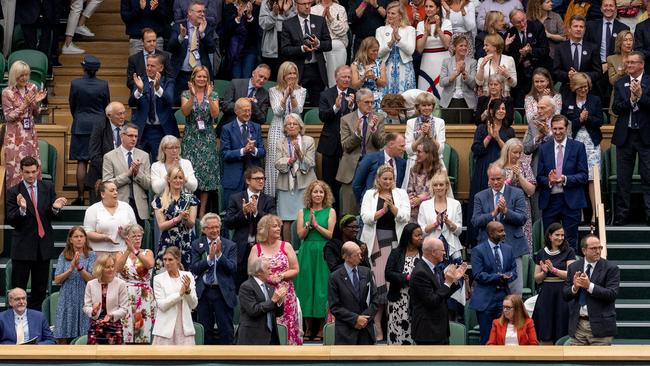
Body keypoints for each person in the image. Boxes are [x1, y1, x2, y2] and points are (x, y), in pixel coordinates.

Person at [6, 156, 66, 309]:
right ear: (21, 172)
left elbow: (52, 216)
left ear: (38, 170)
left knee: (40, 290)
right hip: (22, 248)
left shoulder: (47, 187)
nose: (30, 176)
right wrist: (23, 209)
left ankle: (35, 323)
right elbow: (12, 220)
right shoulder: (14, 192)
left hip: (42, 247)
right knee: (18, 289)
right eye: (27, 172)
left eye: (33, 172)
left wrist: (56, 208)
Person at [360, 165, 410, 341]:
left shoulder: (401, 194)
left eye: (391, 179)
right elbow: (365, 217)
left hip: (395, 242)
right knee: (379, 283)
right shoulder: (369, 194)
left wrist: (393, 208)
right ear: (378, 179)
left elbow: (405, 216)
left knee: (392, 284)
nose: (388, 182)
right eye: (385, 179)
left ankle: (393, 326)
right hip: (376, 243)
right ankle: (377, 324)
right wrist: (382, 211)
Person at [472, 164, 528, 294]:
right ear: (488, 179)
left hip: (513, 247)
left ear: (504, 177)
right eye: (492, 179)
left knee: (514, 292)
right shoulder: (480, 196)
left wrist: (505, 211)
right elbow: (476, 221)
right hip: (488, 249)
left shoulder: (517, 193)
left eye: (498, 178)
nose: (496, 182)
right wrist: (493, 213)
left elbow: (522, 218)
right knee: (490, 290)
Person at [466, 99, 515, 247]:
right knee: (482, 202)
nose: (502, 111)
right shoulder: (481, 128)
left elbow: (509, 151)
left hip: (501, 168)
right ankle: (477, 240)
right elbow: (477, 150)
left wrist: (497, 137)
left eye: (504, 109)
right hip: (483, 168)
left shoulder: (509, 130)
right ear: (492, 111)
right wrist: (488, 136)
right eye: (499, 108)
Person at [537, 115, 588, 250]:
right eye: (554, 129)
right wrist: (549, 180)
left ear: (567, 128)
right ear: (550, 129)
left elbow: (583, 176)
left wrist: (565, 179)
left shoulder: (578, 147)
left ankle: (570, 270)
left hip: (571, 201)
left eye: (560, 128)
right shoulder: (544, 148)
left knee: (570, 240)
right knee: (550, 241)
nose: (557, 132)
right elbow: (539, 177)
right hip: (550, 200)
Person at [611, 51, 650, 226]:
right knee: (623, 178)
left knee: (648, 177)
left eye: (633, 63)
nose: (629, 65)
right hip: (625, 136)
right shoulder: (620, 83)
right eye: (628, 63)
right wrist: (632, 100)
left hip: (645, 136)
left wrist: (641, 96)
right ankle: (621, 216)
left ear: (642, 65)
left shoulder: (649, 81)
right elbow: (616, 108)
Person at [249, 214, 301, 344]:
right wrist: (268, 278)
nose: (278, 229)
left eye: (279, 226)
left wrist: (281, 276)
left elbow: (295, 269)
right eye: (274, 226)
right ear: (265, 229)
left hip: (286, 294)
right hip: (264, 294)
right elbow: (250, 271)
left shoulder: (286, 246)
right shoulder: (256, 248)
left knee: (288, 327)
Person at [295, 180, 336, 341]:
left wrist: (316, 225)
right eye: (315, 192)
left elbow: (330, 234)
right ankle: (307, 327)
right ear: (310, 194)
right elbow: (300, 235)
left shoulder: (330, 211)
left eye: (321, 192)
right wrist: (307, 226)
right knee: (306, 287)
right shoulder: (302, 211)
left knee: (321, 287)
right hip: (307, 252)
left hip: (323, 252)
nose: (318, 195)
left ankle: (320, 328)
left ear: (325, 195)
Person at [223, 166, 277, 289]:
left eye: (263, 178)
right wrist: (243, 213)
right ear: (248, 180)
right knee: (239, 286)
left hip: (262, 247)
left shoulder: (269, 200)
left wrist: (257, 212)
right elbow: (228, 223)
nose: (261, 181)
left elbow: (273, 221)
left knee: (263, 286)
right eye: (257, 178)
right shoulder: (236, 198)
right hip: (242, 248)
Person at [561, 73, 604, 227]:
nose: (583, 90)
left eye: (585, 87)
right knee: (575, 177)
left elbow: (600, 121)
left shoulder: (595, 100)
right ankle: (577, 213)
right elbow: (565, 125)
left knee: (593, 178)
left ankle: (595, 214)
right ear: (574, 87)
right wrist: (579, 119)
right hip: (574, 143)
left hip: (592, 143)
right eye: (580, 87)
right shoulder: (567, 102)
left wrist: (588, 118)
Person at [563, 234, 620, 345]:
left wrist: (589, 286)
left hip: (601, 329)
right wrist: (575, 287)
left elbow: (612, 294)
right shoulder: (573, 267)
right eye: (594, 248)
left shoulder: (611, 268)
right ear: (584, 251)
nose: (598, 251)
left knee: (599, 362)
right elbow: (565, 295)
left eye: (600, 248)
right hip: (578, 326)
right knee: (575, 361)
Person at [336, 88, 386, 215]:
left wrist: (373, 131)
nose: (370, 105)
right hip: (351, 169)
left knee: (371, 209)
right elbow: (346, 146)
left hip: (372, 168)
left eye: (372, 102)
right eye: (367, 102)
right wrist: (357, 133)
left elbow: (380, 144)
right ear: (358, 102)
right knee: (349, 212)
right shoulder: (346, 119)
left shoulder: (378, 118)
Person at [69, 55, 110, 205]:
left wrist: (79, 117)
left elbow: (72, 105)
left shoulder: (75, 84)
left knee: (81, 160)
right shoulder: (103, 85)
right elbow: (107, 106)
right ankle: (98, 198)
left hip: (80, 125)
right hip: (99, 124)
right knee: (98, 161)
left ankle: (80, 197)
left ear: (84, 68)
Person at [191, 213, 237, 345]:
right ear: (204, 230)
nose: (214, 230)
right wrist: (209, 259)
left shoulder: (230, 245)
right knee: (205, 330)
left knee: (226, 331)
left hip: (223, 293)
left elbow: (232, 268)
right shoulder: (196, 244)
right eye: (210, 228)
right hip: (204, 292)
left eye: (217, 227)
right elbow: (194, 268)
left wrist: (219, 255)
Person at [180, 65, 220, 217]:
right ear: (193, 78)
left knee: (206, 175)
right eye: (199, 76)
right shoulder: (185, 93)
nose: (202, 79)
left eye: (204, 77)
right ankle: (191, 210)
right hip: (191, 137)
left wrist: (209, 97)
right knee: (191, 173)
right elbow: (185, 112)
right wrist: (192, 96)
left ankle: (202, 212)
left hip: (207, 137)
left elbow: (215, 114)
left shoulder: (214, 94)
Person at [410, 237, 466, 345]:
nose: (445, 253)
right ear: (433, 252)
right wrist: (448, 282)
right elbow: (432, 301)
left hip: (441, 330)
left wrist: (454, 280)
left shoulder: (435, 268)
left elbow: (442, 294)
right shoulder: (420, 272)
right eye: (443, 250)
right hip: (427, 332)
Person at [470, 221, 517, 345]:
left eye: (504, 230)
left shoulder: (508, 249)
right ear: (490, 233)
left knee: (503, 337)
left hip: (503, 298)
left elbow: (514, 271)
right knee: (487, 338)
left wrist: (509, 276)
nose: (504, 234)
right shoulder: (478, 250)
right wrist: (497, 277)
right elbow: (477, 274)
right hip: (485, 300)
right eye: (500, 231)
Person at [266, 62, 307, 196]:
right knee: (276, 163)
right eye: (289, 73)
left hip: (294, 129)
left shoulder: (301, 90)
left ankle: (292, 198)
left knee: (294, 160)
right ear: (282, 75)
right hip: (278, 128)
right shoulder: (273, 90)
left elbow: (298, 110)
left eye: (294, 73)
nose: (292, 76)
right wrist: (285, 95)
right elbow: (277, 111)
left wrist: (292, 95)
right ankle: (274, 198)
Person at [2, 61, 46, 188]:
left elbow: (36, 113)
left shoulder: (32, 88)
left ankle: (33, 201)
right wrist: (24, 104)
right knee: (15, 170)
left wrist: (36, 103)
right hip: (14, 136)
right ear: (14, 75)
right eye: (21, 75)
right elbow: (9, 116)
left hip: (29, 135)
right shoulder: (7, 93)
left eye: (27, 75)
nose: (25, 78)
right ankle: (14, 203)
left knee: (32, 167)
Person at [280, 0, 333, 107]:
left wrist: (318, 44)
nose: (307, 6)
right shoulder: (288, 24)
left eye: (309, 3)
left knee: (317, 107)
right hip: (297, 70)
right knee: (296, 106)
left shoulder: (320, 21)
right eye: (304, 4)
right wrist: (302, 49)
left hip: (317, 69)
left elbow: (329, 45)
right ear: (296, 5)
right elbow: (285, 50)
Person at [318, 65, 357, 206]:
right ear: (336, 78)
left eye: (349, 77)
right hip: (331, 145)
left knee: (348, 183)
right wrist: (335, 107)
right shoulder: (326, 94)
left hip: (350, 145)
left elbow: (359, 119)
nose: (347, 80)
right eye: (344, 77)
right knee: (329, 183)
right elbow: (323, 116)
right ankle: (330, 215)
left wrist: (352, 108)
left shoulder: (355, 93)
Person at [128, 53, 178, 160]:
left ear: (161, 67)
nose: (149, 68)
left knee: (160, 163)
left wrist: (158, 88)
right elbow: (131, 103)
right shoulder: (139, 80)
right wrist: (139, 90)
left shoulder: (168, 82)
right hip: (142, 129)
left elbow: (170, 101)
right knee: (139, 162)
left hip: (161, 130)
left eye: (152, 66)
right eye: (148, 65)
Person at [532, 223, 576, 344]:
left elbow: (570, 275)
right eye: (557, 235)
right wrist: (545, 273)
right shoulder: (541, 253)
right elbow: (537, 278)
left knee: (561, 325)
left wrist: (554, 270)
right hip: (546, 294)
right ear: (550, 236)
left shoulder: (569, 251)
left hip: (563, 293)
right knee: (545, 327)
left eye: (562, 235)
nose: (560, 238)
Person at [275, 113, 317, 239]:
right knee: (286, 220)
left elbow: (310, 163)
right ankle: (287, 249)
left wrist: (299, 153)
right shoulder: (280, 142)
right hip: (286, 185)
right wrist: (290, 160)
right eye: (289, 124)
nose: (292, 126)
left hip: (305, 185)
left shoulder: (308, 140)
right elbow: (277, 163)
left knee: (305, 217)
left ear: (300, 127)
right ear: (285, 128)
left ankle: (304, 246)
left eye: (295, 124)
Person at [328, 242, 379, 345]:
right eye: (357, 255)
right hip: (345, 332)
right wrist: (355, 319)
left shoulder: (367, 272)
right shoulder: (335, 277)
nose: (361, 257)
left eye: (361, 254)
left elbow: (375, 300)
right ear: (346, 257)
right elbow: (335, 306)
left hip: (366, 330)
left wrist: (364, 319)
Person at [102, 124, 152, 226]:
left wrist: (137, 173)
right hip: (119, 205)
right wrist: (127, 175)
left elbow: (149, 185)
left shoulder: (144, 156)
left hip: (139, 208)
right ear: (122, 136)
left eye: (136, 136)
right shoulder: (109, 156)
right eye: (130, 135)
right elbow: (106, 184)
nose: (133, 139)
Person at [168, 0, 217, 104]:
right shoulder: (178, 25)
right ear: (190, 12)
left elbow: (212, 48)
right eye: (199, 11)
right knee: (176, 104)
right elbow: (170, 47)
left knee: (200, 104)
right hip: (181, 74)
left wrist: (202, 34)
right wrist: (181, 37)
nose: (202, 14)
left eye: (203, 12)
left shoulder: (207, 26)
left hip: (200, 76)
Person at [53, 227, 96, 343]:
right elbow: (57, 279)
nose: (79, 239)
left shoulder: (91, 255)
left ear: (85, 239)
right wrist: (71, 268)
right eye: (76, 237)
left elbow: (92, 279)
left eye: (81, 236)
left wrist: (79, 267)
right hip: (67, 295)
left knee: (84, 331)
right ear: (70, 239)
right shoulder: (64, 255)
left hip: (84, 294)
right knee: (62, 332)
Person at [220, 98, 266, 204]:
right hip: (233, 179)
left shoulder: (256, 127)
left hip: (252, 179)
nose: (248, 113)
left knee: (253, 213)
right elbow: (224, 154)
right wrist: (243, 151)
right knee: (233, 213)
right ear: (236, 111)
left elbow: (262, 151)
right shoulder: (227, 129)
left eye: (249, 110)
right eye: (244, 110)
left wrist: (254, 149)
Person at [115, 224, 155, 344]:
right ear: (127, 238)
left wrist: (136, 252)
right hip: (125, 294)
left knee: (142, 329)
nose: (137, 238)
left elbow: (149, 265)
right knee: (125, 327)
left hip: (144, 294)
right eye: (134, 236)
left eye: (139, 236)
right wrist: (128, 250)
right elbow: (117, 268)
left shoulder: (147, 252)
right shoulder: (120, 253)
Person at [494, 139, 536, 253]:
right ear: (507, 151)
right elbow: (494, 189)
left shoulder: (525, 166)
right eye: (514, 152)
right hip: (503, 207)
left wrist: (520, 176)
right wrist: (511, 176)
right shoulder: (498, 167)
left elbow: (531, 190)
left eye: (519, 153)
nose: (517, 156)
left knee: (524, 240)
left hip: (522, 208)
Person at [153, 167, 199, 270]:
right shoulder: (159, 200)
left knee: (187, 276)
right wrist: (178, 218)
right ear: (169, 179)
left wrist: (186, 218)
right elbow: (161, 226)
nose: (178, 180)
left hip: (186, 242)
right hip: (168, 242)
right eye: (175, 178)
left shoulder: (190, 199)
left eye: (180, 178)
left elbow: (191, 223)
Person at [584, 0, 630, 104]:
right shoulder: (591, 26)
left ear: (615, 8)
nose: (608, 8)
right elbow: (587, 48)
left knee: (615, 100)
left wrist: (609, 65)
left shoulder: (623, 28)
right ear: (601, 8)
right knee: (597, 101)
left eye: (611, 6)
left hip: (616, 69)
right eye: (605, 5)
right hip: (596, 69)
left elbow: (625, 50)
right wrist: (599, 66)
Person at [504, 9, 551, 107]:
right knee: (520, 105)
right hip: (520, 75)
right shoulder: (510, 34)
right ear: (512, 23)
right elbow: (508, 59)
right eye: (518, 22)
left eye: (523, 20)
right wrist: (507, 47)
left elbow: (545, 50)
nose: (522, 24)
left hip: (538, 70)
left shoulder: (537, 27)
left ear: (525, 16)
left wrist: (531, 51)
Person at [152, 247, 199, 345]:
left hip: (184, 328)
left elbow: (194, 304)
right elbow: (162, 305)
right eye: (165, 259)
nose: (167, 263)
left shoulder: (188, 276)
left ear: (178, 260)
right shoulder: (158, 279)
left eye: (170, 259)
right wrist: (180, 294)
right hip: (165, 330)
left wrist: (188, 292)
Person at [385, 223, 422, 345]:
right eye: (417, 235)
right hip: (398, 299)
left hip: (417, 300)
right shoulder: (396, 252)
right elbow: (388, 274)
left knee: (414, 330)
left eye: (421, 235)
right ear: (408, 237)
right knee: (397, 330)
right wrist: (406, 277)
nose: (420, 238)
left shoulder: (423, 253)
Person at [237, 257, 287, 345]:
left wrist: (279, 302)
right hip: (252, 337)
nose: (271, 272)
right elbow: (253, 310)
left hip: (271, 337)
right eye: (268, 269)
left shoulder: (270, 288)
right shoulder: (246, 287)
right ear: (259, 272)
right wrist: (272, 300)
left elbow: (278, 313)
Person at [83, 254, 129, 345]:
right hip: (96, 325)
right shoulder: (91, 284)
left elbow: (124, 309)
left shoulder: (121, 284)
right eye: (108, 267)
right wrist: (93, 311)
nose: (111, 269)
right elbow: (86, 307)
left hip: (114, 325)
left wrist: (111, 315)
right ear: (100, 268)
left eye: (112, 266)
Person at [84, 181, 137, 256]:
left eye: (116, 190)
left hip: (123, 252)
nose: (116, 192)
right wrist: (104, 237)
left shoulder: (126, 207)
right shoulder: (92, 209)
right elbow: (87, 233)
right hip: (99, 254)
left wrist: (127, 231)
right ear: (102, 194)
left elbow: (135, 229)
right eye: (112, 190)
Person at [552, 15, 601, 97]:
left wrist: (580, 76)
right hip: (567, 91)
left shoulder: (592, 48)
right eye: (575, 26)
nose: (578, 29)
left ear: (584, 30)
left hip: (587, 91)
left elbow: (598, 73)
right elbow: (556, 72)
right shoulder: (560, 48)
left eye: (581, 27)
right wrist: (568, 75)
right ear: (569, 29)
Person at [87, 102, 127, 203]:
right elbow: (94, 154)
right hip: (101, 173)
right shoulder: (99, 127)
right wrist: (109, 171)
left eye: (124, 113)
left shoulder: (129, 127)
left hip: (124, 173)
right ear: (109, 115)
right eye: (119, 114)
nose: (123, 117)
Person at [404, 92, 445, 187]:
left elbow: (440, 150)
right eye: (424, 105)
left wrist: (430, 136)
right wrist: (422, 136)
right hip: (415, 161)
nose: (427, 108)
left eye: (429, 105)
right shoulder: (410, 122)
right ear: (418, 107)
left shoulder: (440, 122)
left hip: (435, 162)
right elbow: (409, 150)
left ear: (433, 106)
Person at [418, 171, 462, 259]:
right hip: (431, 250)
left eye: (441, 185)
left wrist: (449, 223)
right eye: (435, 185)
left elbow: (458, 231)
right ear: (432, 187)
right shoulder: (424, 205)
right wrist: (435, 224)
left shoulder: (455, 204)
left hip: (452, 249)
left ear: (447, 186)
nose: (438, 188)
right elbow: (422, 232)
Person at [353, 133, 407, 204]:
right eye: (401, 146)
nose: (404, 149)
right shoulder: (370, 159)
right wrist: (363, 203)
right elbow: (357, 185)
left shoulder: (402, 163)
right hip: (372, 205)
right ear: (391, 144)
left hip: (394, 205)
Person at [377, 1, 416, 94]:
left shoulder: (410, 29)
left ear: (400, 15)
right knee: (386, 98)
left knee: (405, 97)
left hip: (404, 68)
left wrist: (398, 39)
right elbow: (378, 53)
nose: (389, 15)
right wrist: (390, 43)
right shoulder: (380, 30)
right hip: (385, 68)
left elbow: (410, 51)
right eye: (388, 13)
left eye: (393, 13)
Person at [439, 34, 478, 124]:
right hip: (449, 101)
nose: (464, 48)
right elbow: (442, 82)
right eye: (461, 45)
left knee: (466, 130)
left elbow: (473, 84)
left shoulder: (472, 62)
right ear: (454, 47)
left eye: (465, 46)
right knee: (449, 130)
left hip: (467, 102)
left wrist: (464, 72)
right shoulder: (447, 62)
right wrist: (456, 74)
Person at [406, 139, 447, 222]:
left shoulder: (439, 171)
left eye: (419, 152)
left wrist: (422, 199)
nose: (416, 154)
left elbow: (441, 192)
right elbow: (410, 190)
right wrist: (416, 199)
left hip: (433, 209)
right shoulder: (413, 170)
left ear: (428, 154)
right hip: (416, 209)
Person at [416, 0, 452, 96]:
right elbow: (419, 49)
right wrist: (426, 32)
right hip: (427, 62)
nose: (428, 9)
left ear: (437, 9)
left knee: (442, 90)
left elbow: (446, 45)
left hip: (442, 60)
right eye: (426, 6)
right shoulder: (420, 24)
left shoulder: (446, 22)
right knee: (426, 92)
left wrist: (438, 28)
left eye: (431, 6)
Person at [220, 64, 272, 129]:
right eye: (260, 76)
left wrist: (252, 105)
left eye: (265, 79)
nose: (262, 80)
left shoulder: (265, 94)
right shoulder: (235, 83)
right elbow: (225, 106)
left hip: (249, 131)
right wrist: (241, 104)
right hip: (230, 128)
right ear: (253, 73)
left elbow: (262, 119)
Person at [311, 0, 349, 87]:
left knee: (335, 46)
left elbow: (343, 31)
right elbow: (313, 32)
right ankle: (329, 93)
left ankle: (337, 89)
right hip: (320, 45)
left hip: (338, 45)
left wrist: (331, 18)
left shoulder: (340, 9)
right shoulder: (313, 9)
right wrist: (321, 20)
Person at [222, 0, 261, 79]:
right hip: (234, 50)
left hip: (250, 49)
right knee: (236, 78)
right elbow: (227, 29)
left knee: (247, 77)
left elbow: (257, 30)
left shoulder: (256, 8)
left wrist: (250, 16)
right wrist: (238, 18)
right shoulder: (230, 7)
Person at [259, 0, 297, 79]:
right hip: (271, 47)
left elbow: (295, 25)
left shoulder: (292, 3)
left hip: (287, 44)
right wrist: (274, 14)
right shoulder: (266, 3)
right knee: (270, 78)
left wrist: (287, 12)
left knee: (285, 78)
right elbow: (264, 25)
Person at [350, 37, 388, 110]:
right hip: (362, 101)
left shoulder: (380, 63)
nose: (376, 53)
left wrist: (374, 78)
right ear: (365, 50)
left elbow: (384, 84)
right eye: (373, 51)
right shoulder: (355, 65)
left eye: (377, 50)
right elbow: (354, 85)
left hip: (377, 101)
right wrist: (363, 78)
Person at [607, 30, 634, 125]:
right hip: (617, 103)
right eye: (625, 40)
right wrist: (621, 73)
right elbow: (612, 81)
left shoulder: (638, 57)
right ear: (619, 42)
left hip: (635, 102)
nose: (628, 43)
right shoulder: (611, 59)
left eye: (630, 40)